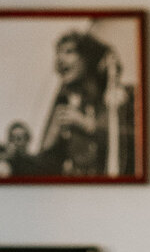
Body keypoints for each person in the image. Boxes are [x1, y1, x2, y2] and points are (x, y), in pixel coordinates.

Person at [37, 29, 135, 176]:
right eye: (58, 52)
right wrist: (49, 144)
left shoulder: (124, 97)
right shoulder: (67, 105)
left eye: (69, 52)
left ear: (90, 58)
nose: (59, 59)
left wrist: (89, 126)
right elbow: (46, 170)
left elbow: (139, 144)